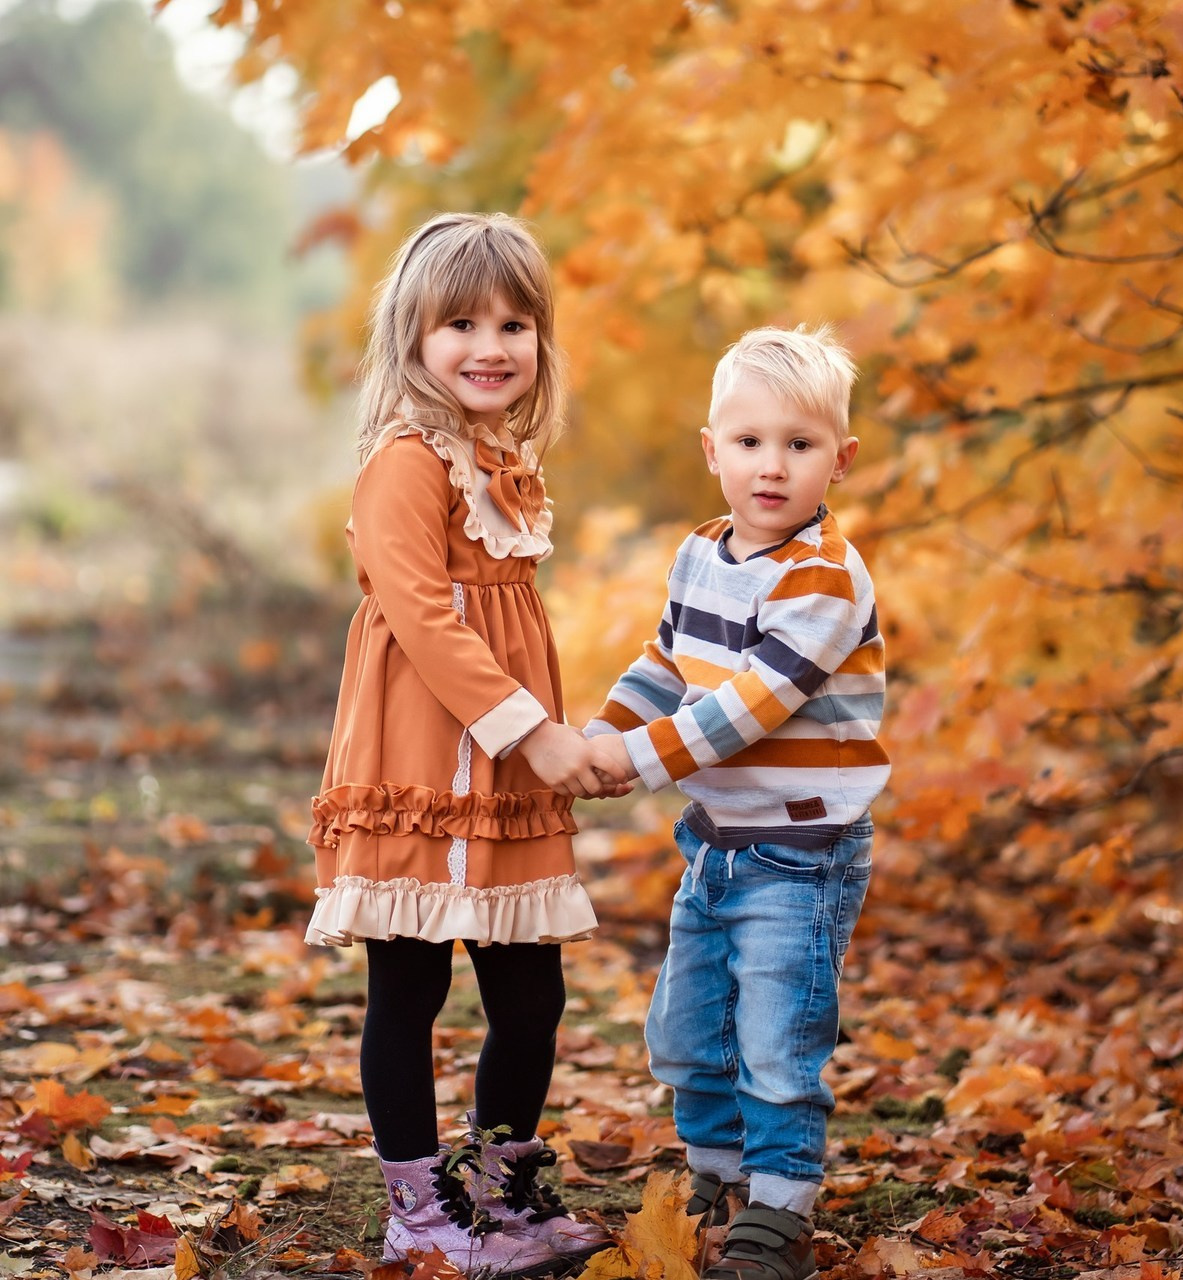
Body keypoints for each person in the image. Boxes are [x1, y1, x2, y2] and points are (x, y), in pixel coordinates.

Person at [305, 212, 625, 1277]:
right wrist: (531, 732)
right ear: (412, 338)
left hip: (504, 772)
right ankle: (416, 1207)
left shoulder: (506, 458)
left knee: (530, 989)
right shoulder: (406, 460)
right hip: (421, 758)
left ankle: (499, 1190)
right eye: (460, 323)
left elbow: (507, 617)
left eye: (514, 323)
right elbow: (421, 614)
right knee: (410, 984)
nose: (491, 346)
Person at [585, 325, 890, 1280]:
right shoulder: (700, 556)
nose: (772, 466)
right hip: (715, 840)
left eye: (800, 445)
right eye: (750, 442)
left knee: (775, 1036)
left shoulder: (825, 578)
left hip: (803, 852)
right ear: (711, 449)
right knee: (688, 1024)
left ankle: (781, 1202)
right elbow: (668, 663)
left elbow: (749, 706)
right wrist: (605, 734)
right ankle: (716, 1168)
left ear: (838, 460)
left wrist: (636, 761)